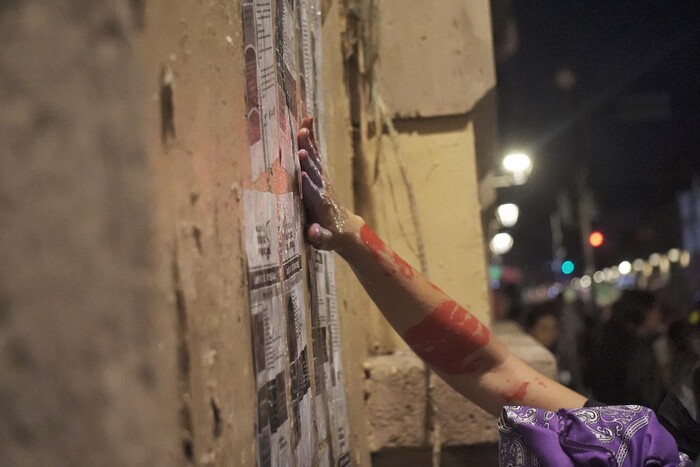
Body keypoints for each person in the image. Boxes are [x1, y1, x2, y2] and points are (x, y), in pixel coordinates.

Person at [295, 117, 694, 466]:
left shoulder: (636, 448)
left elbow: (492, 370)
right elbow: (491, 370)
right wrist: (355, 240)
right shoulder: (637, 447)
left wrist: (355, 240)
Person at [588, 290, 665, 410]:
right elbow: (648, 397)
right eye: (655, 309)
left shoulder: (608, 340)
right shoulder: (637, 351)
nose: (659, 315)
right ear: (643, 312)